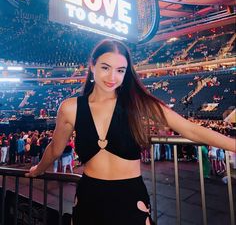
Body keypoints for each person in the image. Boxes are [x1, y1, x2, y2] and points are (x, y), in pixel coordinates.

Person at [26, 39, 236, 225]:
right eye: (105, 67)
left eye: (120, 70)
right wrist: (39, 169)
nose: (112, 77)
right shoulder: (70, 107)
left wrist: (234, 145)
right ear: (92, 65)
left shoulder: (138, 104)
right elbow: (55, 148)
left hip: (130, 197)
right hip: (89, 195)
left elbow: (190, 129)